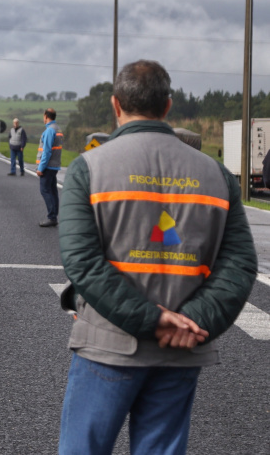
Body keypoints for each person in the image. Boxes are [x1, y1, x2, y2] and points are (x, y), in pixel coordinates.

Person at [57, 60, 257, 455]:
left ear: (116, 105)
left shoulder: (89, 168)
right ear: (167, 106)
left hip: (108, 343)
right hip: (181, 348)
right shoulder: (217, 175)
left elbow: (82, 261)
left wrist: (150, 319)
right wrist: (194, 320)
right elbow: (239, 263)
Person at [36, 108, 62, 227]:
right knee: (53, 191)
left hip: (48, 166)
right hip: (55, 165)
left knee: (45, 190)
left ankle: (52, 217)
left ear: (46, 116)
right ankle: (54, 216)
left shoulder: (50, 130)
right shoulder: (57, 129)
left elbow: (46, 151)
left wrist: (40, 168)